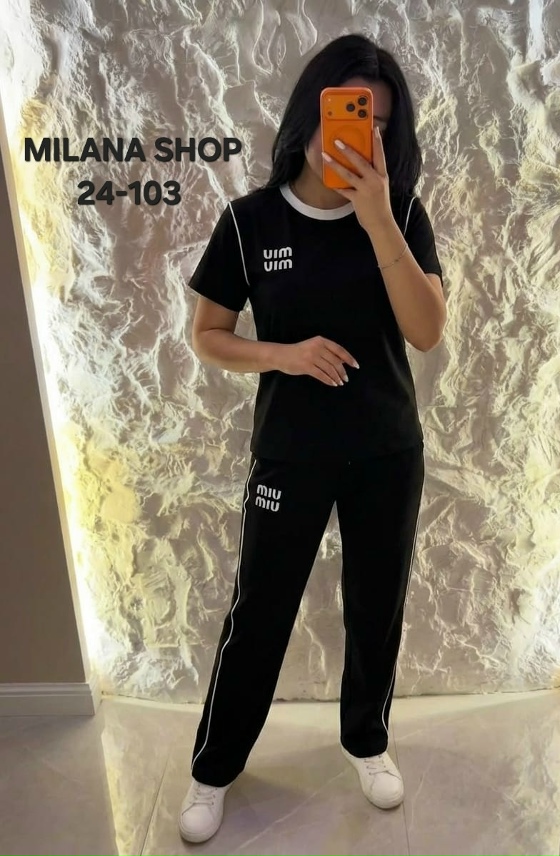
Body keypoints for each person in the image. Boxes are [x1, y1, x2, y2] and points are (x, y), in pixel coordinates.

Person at [178, 32, 446, 844]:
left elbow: (427, 330)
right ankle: (213, 768)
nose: (360, 137)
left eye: (378, 125)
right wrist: (284, 355)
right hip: (290, 452)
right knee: (259, 611)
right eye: (348, 116)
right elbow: (207, 335)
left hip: (386, 451)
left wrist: (378, 219)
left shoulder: (400, 213)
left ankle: (367, 743)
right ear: (311, 115)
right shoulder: (249, 222)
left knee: (376, 608)